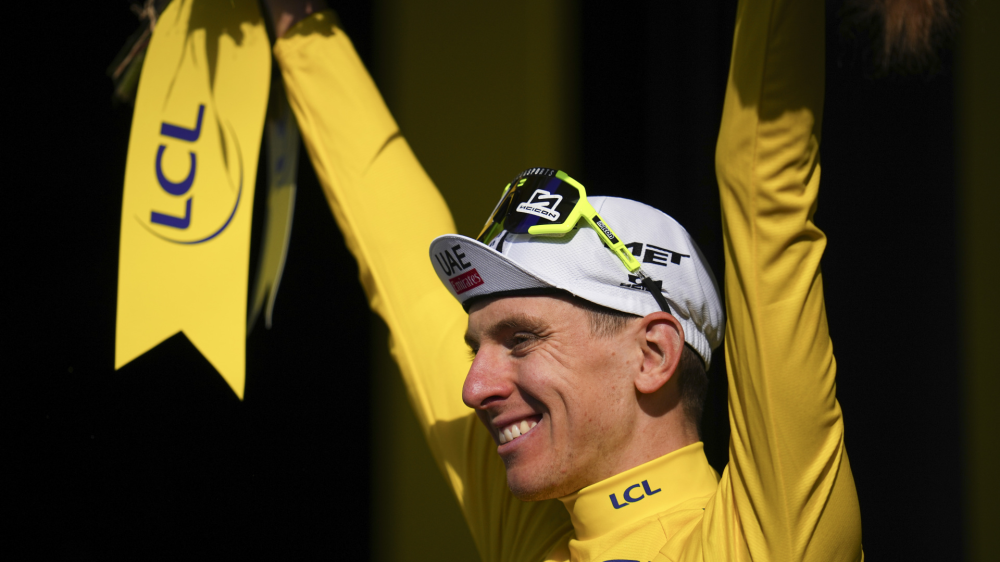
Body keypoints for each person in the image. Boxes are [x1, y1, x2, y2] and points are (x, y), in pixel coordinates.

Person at [268, 0, 863, 559]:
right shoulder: (538, 527)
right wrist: (299, 21)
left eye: (521, 339)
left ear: (654, 353)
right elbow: (397, 258)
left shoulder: (769, 539)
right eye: (478, 347)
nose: (474, 388)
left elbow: (761, 184)